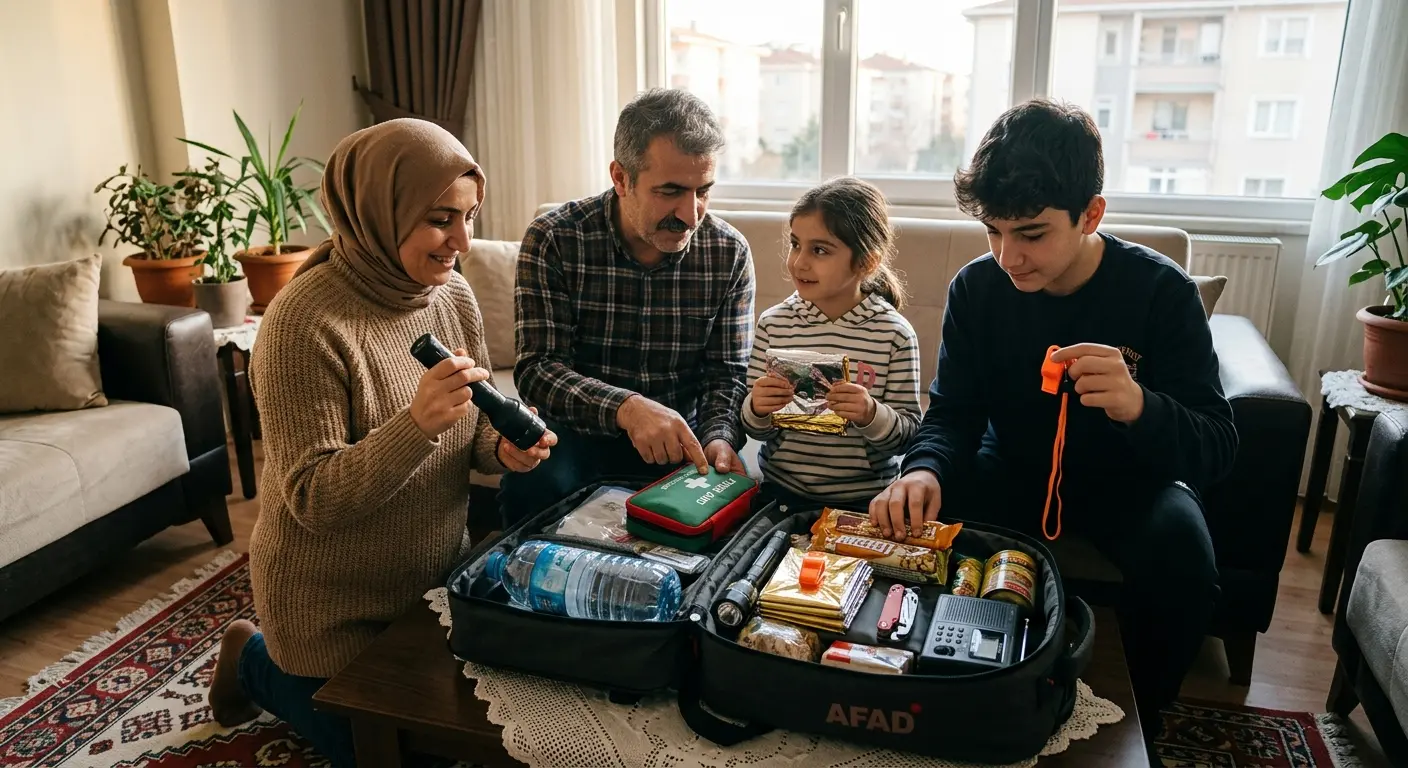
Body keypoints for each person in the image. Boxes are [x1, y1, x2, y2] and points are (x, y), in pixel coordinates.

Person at [868, 99, 1237, 729]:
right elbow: (952, 412)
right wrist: (922, 470)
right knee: (912, 514)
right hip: (1010, 468)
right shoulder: (977, 288)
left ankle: (1147, 718)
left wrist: (1141, 407)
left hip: (1131, 485)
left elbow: (1217, 445)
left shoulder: (1159, 291)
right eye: (994, 231)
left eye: (1031, 233)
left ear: (1092, 213)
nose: (1008, 256)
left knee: (1184, 553)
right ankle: (938, 691)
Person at [206, 119, 556, 768]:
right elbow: (313, 500)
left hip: (428, 584)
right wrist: (416, 425)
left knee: (485, 735)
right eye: (439, 219)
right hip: (329, 613)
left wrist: (502, 450)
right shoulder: (301, 323)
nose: (463, 241)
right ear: (376, 212)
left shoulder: (449, 294)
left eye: (470, 216)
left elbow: (475, 426)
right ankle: (252, 657)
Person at [502, 88, 755, 518]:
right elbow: (538, 369)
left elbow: (726, 377)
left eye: (703, 191)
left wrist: (719, 437)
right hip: (573, 436)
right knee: (534, 487)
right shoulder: (555, 239)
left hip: (681, 441)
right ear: (621, 178)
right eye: (671, 191)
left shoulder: (727, 252)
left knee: (732, 519)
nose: (691, 214)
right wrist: (626, 408)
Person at [743, 177, 921, 507]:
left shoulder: (894, 335)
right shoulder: (774, 324)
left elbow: (909, 435)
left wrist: (870, 413)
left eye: (820, 250)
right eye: (795, 244)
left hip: (864, 501)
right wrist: (757, 408)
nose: (799, 262)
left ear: (866, 262)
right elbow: (757, 429)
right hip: (780, 494)